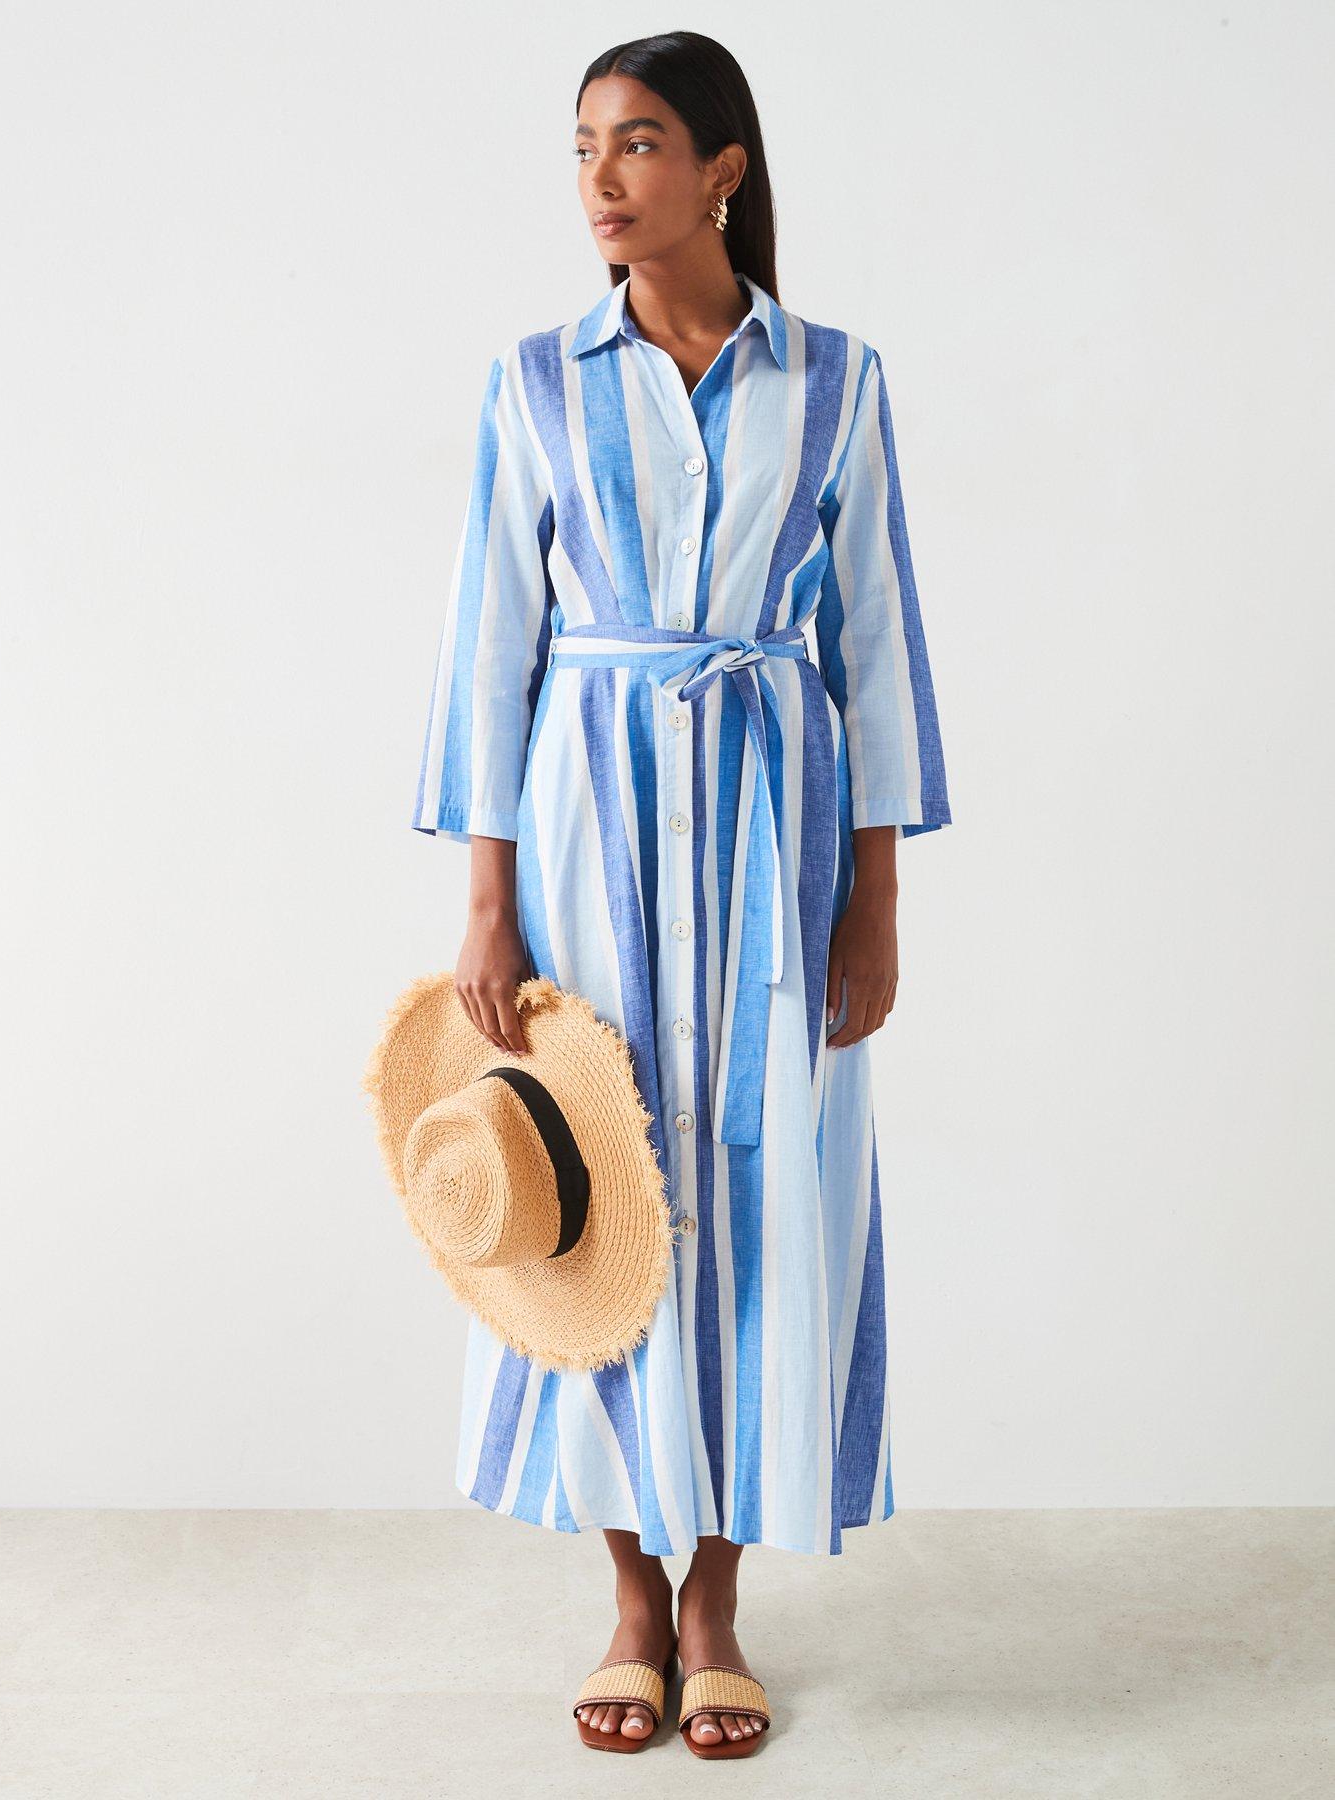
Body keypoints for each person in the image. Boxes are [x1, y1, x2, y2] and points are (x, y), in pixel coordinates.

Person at [410, 30, 951, 1754]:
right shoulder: (533, 384)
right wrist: (489, 901)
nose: (599, 179)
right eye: (581, 148)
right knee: (598, 1186)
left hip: (771, 837)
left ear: (721, 168)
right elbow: (488, 647)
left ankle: (718, 1600)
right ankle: (629, 1599)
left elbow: (874, 645)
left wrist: (872, 896)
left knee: (759, 1193)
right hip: (584, 841)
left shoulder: (839, 380)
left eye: (636, 144)